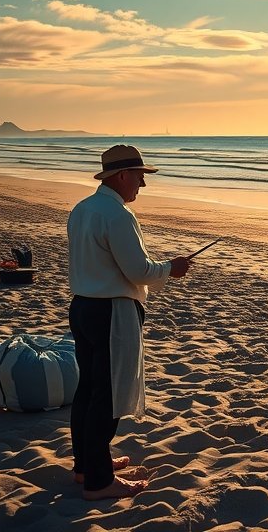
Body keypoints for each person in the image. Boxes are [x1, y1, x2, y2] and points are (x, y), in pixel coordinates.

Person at [67, 145, 192, 500]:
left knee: (88, 390)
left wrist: (164, 268)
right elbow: (139, 271)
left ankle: (86, 466)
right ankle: (98, 480)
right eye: (139, 176)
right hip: (111, 312)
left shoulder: (83, 208)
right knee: (106, 396)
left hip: (83, 307)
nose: (142, 184)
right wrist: (172, 268)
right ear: (121, 176)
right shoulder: (117, 214)